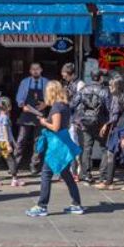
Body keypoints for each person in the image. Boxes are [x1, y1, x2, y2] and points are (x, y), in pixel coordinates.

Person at [26, 81, 84, 217]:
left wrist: (44, 122)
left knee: (46, 174)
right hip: (63, 143)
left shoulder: (57, 106)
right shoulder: (64, 105)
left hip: (57, 145)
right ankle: (76, 204)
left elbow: (56, 127)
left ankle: (42, 205)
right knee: (66, 174)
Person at [73, 68, 112, 185]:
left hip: (86, 122)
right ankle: (103, 175)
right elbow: (109, 107)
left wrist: (78, 118)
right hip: (101, 122)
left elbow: (74, 104)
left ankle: (86, 174)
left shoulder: (83, 89)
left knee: (87, 148)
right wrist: (107, 122)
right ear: (100, 78)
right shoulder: (104, 91)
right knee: (104, 148)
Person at [99, 76, 124, 190]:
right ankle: (109, 181)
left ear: (118, 87)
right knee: (111, 152)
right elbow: (113, 115)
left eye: (112, 86)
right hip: (116, 128)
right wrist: (107, 124)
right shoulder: (114, 97)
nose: (110, 87)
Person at [14, 63, 49, 175]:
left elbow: (52, 96)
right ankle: (15, 165)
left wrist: (46, 104)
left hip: (40, 115)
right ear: (30, 71)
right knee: (21, 140)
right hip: (27, 115)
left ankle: (34, 165)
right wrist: (21, 105)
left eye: (37, 69)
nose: (35, 71)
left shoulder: (47, 82)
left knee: (38, 141)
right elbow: (19, 97)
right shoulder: (24, 82)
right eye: (33, 69)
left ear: (41, 70)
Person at [0, 97, 22, 187]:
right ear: (8, 107)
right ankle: (15, 180)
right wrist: (8, 144)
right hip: (4, 142)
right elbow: (5, 130)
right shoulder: (5, 118)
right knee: (11, 160)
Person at [61, 63, 84, 178]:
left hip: (75, 118)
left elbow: (79, 102)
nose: (64, 77)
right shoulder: (68, 84)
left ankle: (76, 171)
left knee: (74, 144)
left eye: (65, 75)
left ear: (71, 74)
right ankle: (71, 170)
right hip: (68, 117)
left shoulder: (79, 84)